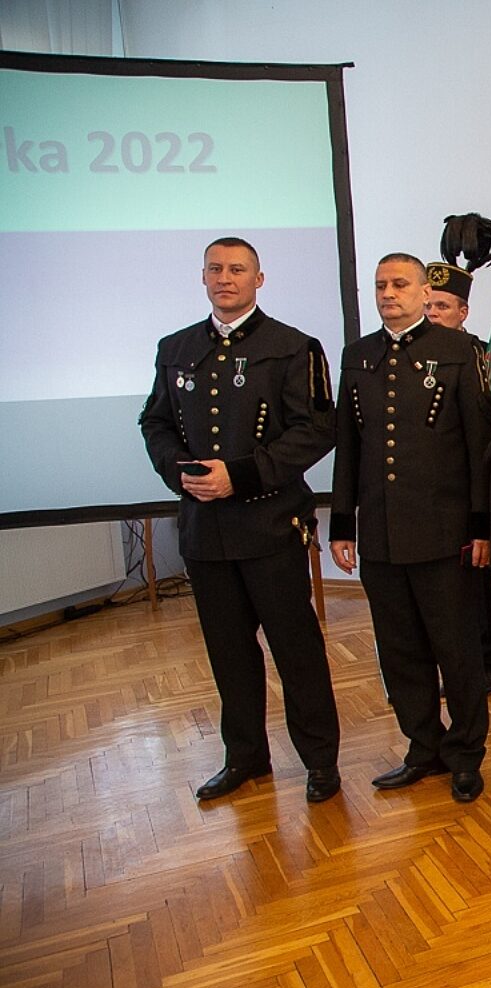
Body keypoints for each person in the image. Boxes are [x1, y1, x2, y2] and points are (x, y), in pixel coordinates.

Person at [139, 236, 342, 804]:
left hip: (270, 525)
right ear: (203, 277)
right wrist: (181, 472)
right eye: (215, 269)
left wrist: (241, 475)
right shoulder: (176, 348)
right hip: (205, 532)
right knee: (229, 654)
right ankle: (246, 757)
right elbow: (155, 423)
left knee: (296, 651)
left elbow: (315, 430)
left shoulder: (293, 347)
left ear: (259, 279)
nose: (225, 279)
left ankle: (320, 761)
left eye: (237, 270)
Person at [329, 253, 491, 804]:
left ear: (425, 293)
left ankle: (465, 754)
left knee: (456, 649)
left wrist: (482, 527)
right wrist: (343, 524)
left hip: (444, 533)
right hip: (380, 532)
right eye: (381, 285)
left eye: (400, 284)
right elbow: (349, 446)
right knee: (399, 650)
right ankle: (423, 747)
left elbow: (478, 446)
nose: (388, 293)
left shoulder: (457, 351)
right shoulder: (358, 356)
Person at [423, 212, 491, 695]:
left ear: (463, 313)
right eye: (427, 305)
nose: (433, 313)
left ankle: (488, 659)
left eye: (442, 306)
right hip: (432, 495)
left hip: (477, 485)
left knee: (480, 584)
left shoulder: (482, 355)